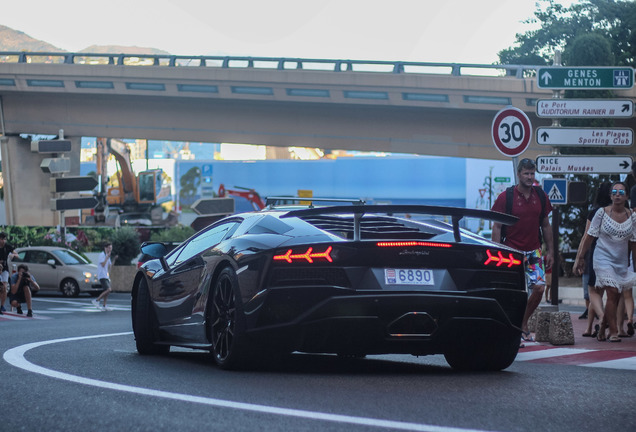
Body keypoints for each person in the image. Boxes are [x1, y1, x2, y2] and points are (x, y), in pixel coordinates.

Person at [491, 158, 554, 342]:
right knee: (514, 294)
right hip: (512, 252)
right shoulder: (506, 197)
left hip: (534, 251)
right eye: (526, 173)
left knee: (540, 289)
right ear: (518, 175)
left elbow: (546, 225)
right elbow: (497, 227)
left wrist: (550, 251)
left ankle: (522, 323)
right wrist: (497, 251)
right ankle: (513, 332)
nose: (529, 177)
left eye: (532, 173)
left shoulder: (540, 196)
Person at [574, 181, 636, 342]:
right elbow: (589, 237)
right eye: (614, 192)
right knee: (613, 291)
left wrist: (634, 265)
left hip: (621, 261)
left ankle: (602, 326)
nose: (617, 195)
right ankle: (613, 331)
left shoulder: (632, 217)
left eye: (621, 192)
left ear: (627, 196)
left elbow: (634, 243)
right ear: (610, 195)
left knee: (615, 297)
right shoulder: (601, 213)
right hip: (602, 258)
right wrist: (580, 257)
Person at [575, 182, 611, 337]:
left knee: (593, 292)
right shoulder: (618, 212)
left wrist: (579, 257)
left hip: (596, 253)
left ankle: (602, 318)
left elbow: (586, 236)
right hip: (615, 255)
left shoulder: (595, 212)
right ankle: (589, 328)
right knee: (603, 293)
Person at [92, 242, 117, 311]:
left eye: (111, 248)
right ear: (105, 248)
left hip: (106, 275)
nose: (110, 250)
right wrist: (107, 257)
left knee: (107, 291)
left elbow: (110, 266)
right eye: (109, 248)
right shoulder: (102, 255)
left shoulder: (107, 256)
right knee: (109, 289)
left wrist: (114, 259)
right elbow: (103, 264)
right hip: (102, 275)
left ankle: (104, 305)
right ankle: (96, 300)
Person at [0, 232, 19, 315]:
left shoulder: (7, 247)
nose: (3, 241)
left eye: (4, 239)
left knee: (4, 287)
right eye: (1, 239)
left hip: (4, 269)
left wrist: (13, 255)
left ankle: (2, 305)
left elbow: (16, 254)